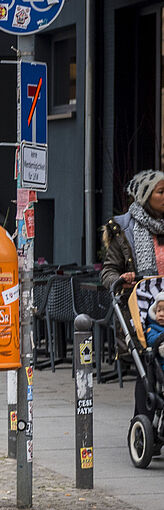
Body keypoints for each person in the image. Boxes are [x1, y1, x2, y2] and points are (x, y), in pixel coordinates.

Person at [102, 170, 164, 415]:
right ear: (146, 196)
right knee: (148, 365)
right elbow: (108, 271)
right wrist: (120, 280)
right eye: (161, 192)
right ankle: (143, 422)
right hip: (144, 313)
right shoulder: (124, 230)